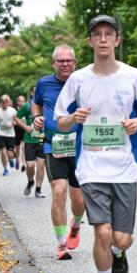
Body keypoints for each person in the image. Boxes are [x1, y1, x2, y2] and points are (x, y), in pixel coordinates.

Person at [55, 16, 137, 273]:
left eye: (108, 34)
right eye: (96, 34)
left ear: (116, 40)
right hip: (92, 167)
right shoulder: (79, 79)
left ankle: (119, 254)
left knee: (121, 238)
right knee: (101, 232)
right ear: (89, 41)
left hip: (124, 167)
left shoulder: (133, 76)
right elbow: (60, 121)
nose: (102, 39)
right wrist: (75, 118)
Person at [34, 45, 86, 260]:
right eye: (60, 61)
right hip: (52, 145)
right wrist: (36, 118)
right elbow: (36, 104)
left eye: (69, 60)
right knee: (58, 192)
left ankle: (76, 224)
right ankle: (61, 243)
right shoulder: (44, 83)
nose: (65, 64)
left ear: (75, 63)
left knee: (79, 201)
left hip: (80, 146)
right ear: (54, 63)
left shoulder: (85, 82)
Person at [16, 87, 46, 197]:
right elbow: (17, 118)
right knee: (30, 166)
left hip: (43, 139)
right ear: (33, 93)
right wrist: (25, 127)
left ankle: (38, 189)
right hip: (29, 140)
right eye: (36, 91)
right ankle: (30, 181)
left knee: (41, 165)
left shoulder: (47, 106)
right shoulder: (27, 106)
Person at [0, 94, 18, 175]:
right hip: (1, 133)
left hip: (11, 134)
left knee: (10, 153)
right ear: (1, 102)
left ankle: (10, 159)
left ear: (9, 102)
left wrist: (12, 124)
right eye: (3, 103)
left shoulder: (13, 110)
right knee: (3, 152)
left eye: (6, 102)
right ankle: (5, 169)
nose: (5, 104)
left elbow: (17, 121)